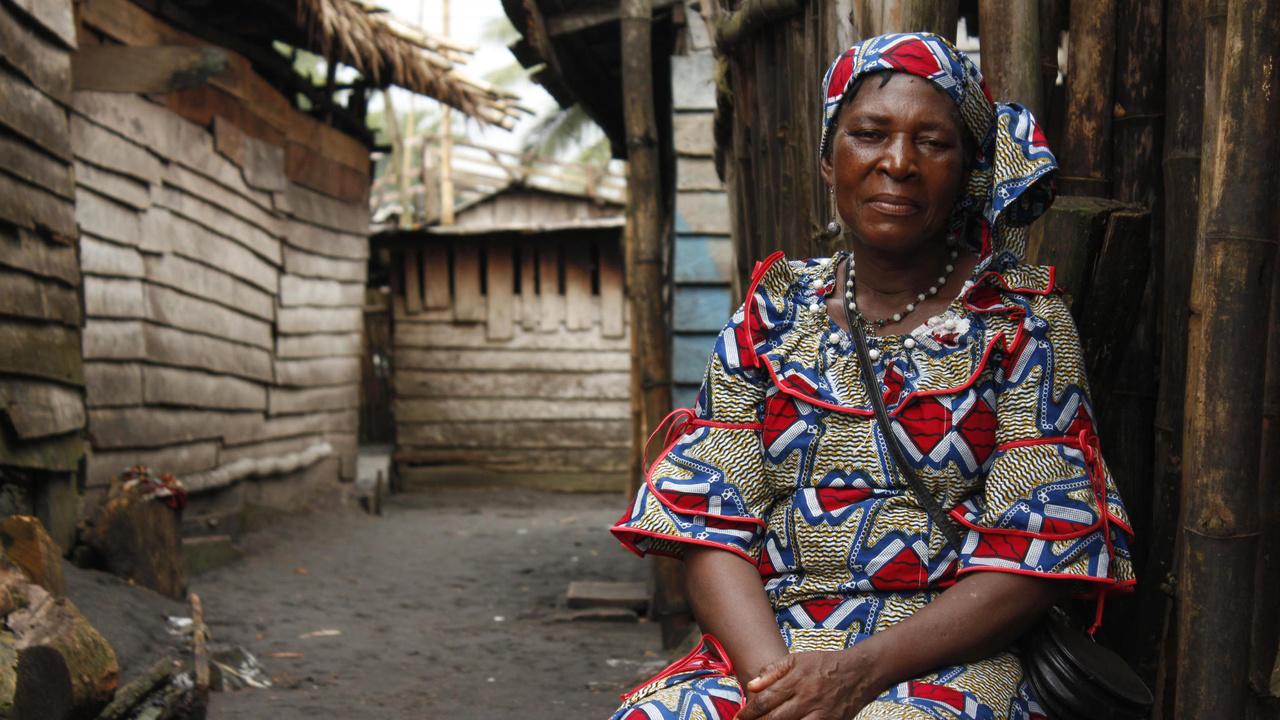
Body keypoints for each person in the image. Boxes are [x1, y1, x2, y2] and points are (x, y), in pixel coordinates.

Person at [606, 32, 1135, 720]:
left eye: (933, 142)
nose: (898, 162)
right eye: (869, 133)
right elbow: (711, 524)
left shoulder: (1021, 324)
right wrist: (780, 687)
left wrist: (855, 675)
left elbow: (1038, 553)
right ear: (829, 161)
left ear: (970, 167)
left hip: (950, 658)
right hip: (776, 648)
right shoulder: (771, 312)